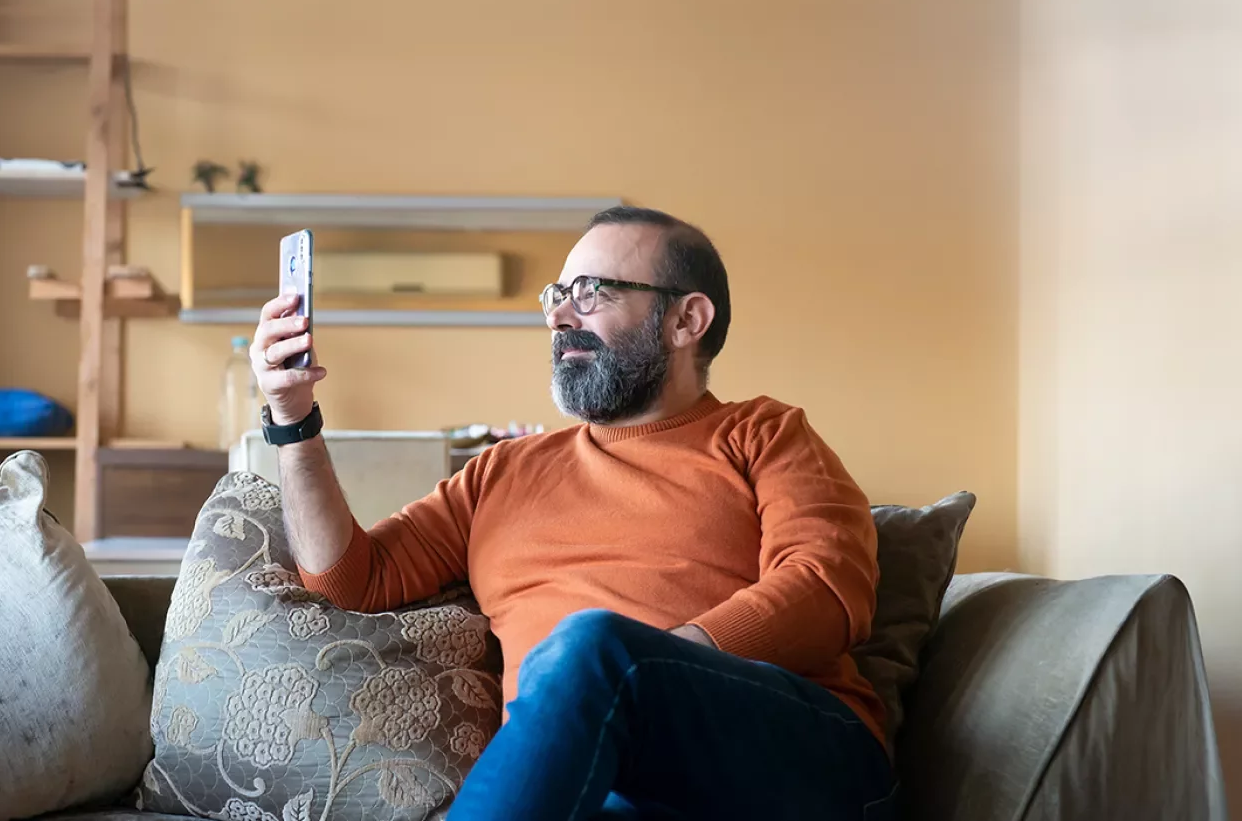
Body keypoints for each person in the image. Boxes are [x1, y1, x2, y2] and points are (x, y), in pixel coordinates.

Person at [249, 207, 895, 821]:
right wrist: (292, 419)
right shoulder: (500, 471)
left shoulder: (763, 432)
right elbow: (348, 582)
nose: (560, 314)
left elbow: (827, 588)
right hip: (602, 782)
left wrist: (640, 671)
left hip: (797, 759)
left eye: (591, 291)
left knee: (593, 642)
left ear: (685, 319)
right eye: (556, 293)